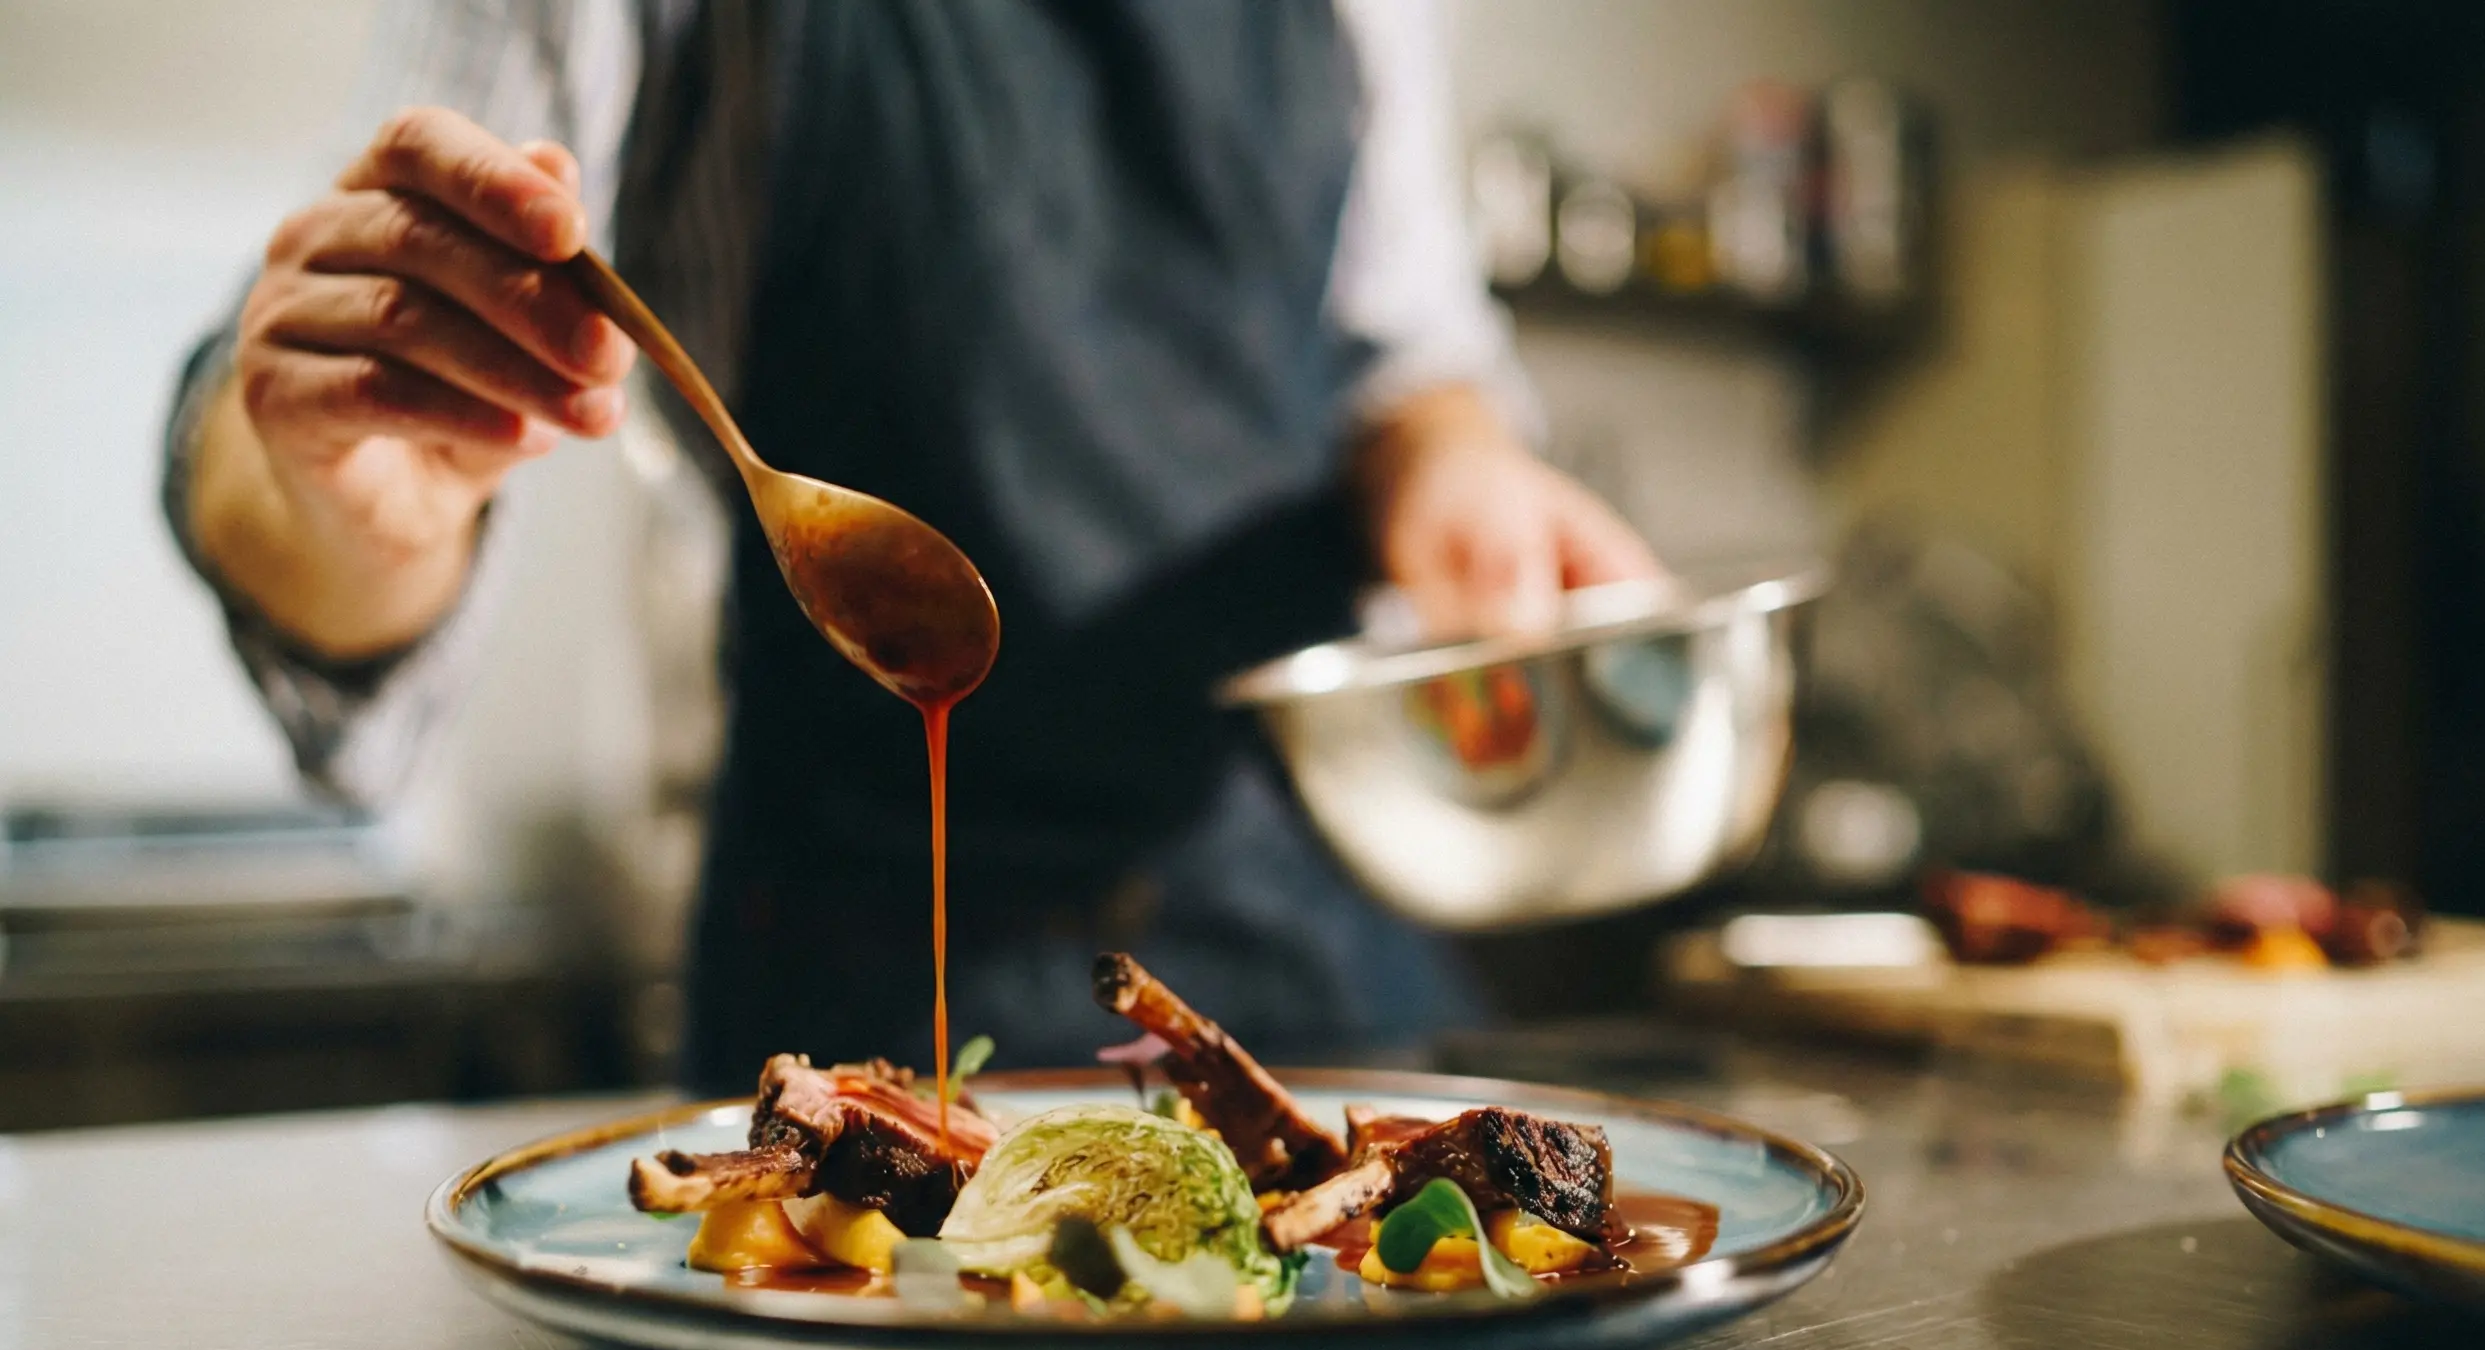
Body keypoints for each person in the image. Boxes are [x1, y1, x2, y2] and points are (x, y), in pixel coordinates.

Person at [163, 0, 1664, 1087]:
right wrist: (340, 490)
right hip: (875, 1008)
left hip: (1314, 964)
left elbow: (1398, 350)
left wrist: (1451, 461)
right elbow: (320, 407)